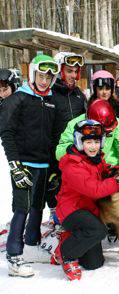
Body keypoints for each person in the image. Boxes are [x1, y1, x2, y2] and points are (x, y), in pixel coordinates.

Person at [52, 119, 119, 280]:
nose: (93, 146)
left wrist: (118, 171)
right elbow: (95, 190)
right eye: (88, 142)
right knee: (99, 230)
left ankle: (71, 238)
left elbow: (103, 170)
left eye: (97, 142)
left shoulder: (95, 158)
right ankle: (66, 254)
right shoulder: (73, 164)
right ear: (79, 141)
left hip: (89, 210)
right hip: (72, 210)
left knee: (94, 263)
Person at [0, 55, 60, 277]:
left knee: (38, 205)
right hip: (23, 162)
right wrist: (15, 165)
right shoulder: (18, 99)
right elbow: (6, 133)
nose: (44, 80)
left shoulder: (51, 101)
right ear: (33, 73)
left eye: (49, 77)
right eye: (41, 75)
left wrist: (54, 169)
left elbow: (54, 136)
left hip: (44, 164)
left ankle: (31, 244)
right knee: (22, 207)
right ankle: (14, 256)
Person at [47, 52, 87, 225]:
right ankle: (55, 215)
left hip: (76, 153)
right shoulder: (50, 94)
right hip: (54, 151)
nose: (72, 75)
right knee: (55, 187)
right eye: (69, 71)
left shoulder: (79, 95)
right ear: (60, 71)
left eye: (75, 72)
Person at [56, 99, 119, 168]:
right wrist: (77, 149)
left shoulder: (115, 122)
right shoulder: (73, 125)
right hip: (83, 169)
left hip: (109, 168)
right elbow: (59, 154)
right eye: (102, 132)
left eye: (108, 133)